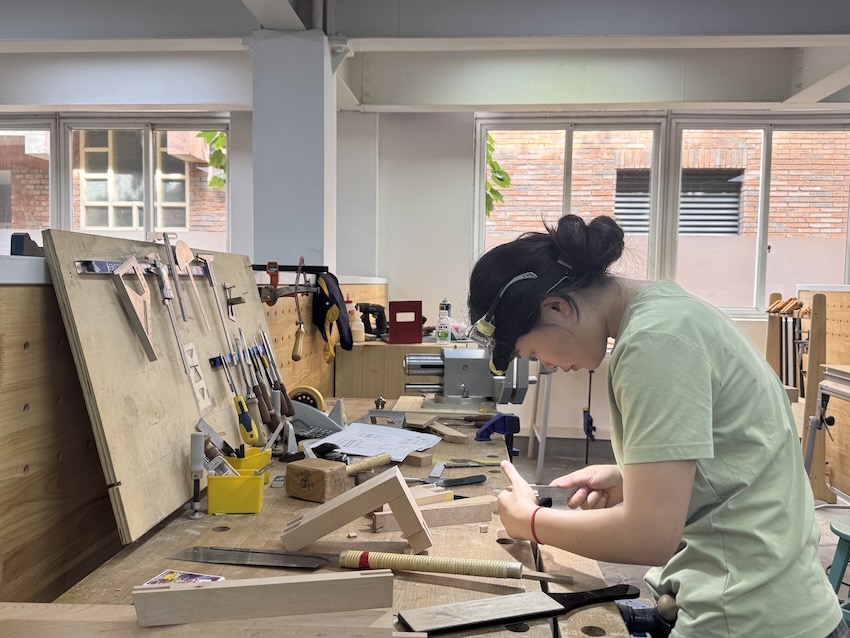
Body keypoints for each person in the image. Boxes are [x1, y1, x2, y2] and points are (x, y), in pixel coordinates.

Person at [466, 214, 844, 638]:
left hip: (746, 616)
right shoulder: (670, 311)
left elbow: (649, 536)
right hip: (776, 602)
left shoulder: (654, 343)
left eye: (534, 354)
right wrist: (634, 479)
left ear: (556, 307)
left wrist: (530, 522)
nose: (548, 366)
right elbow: (736, 461)